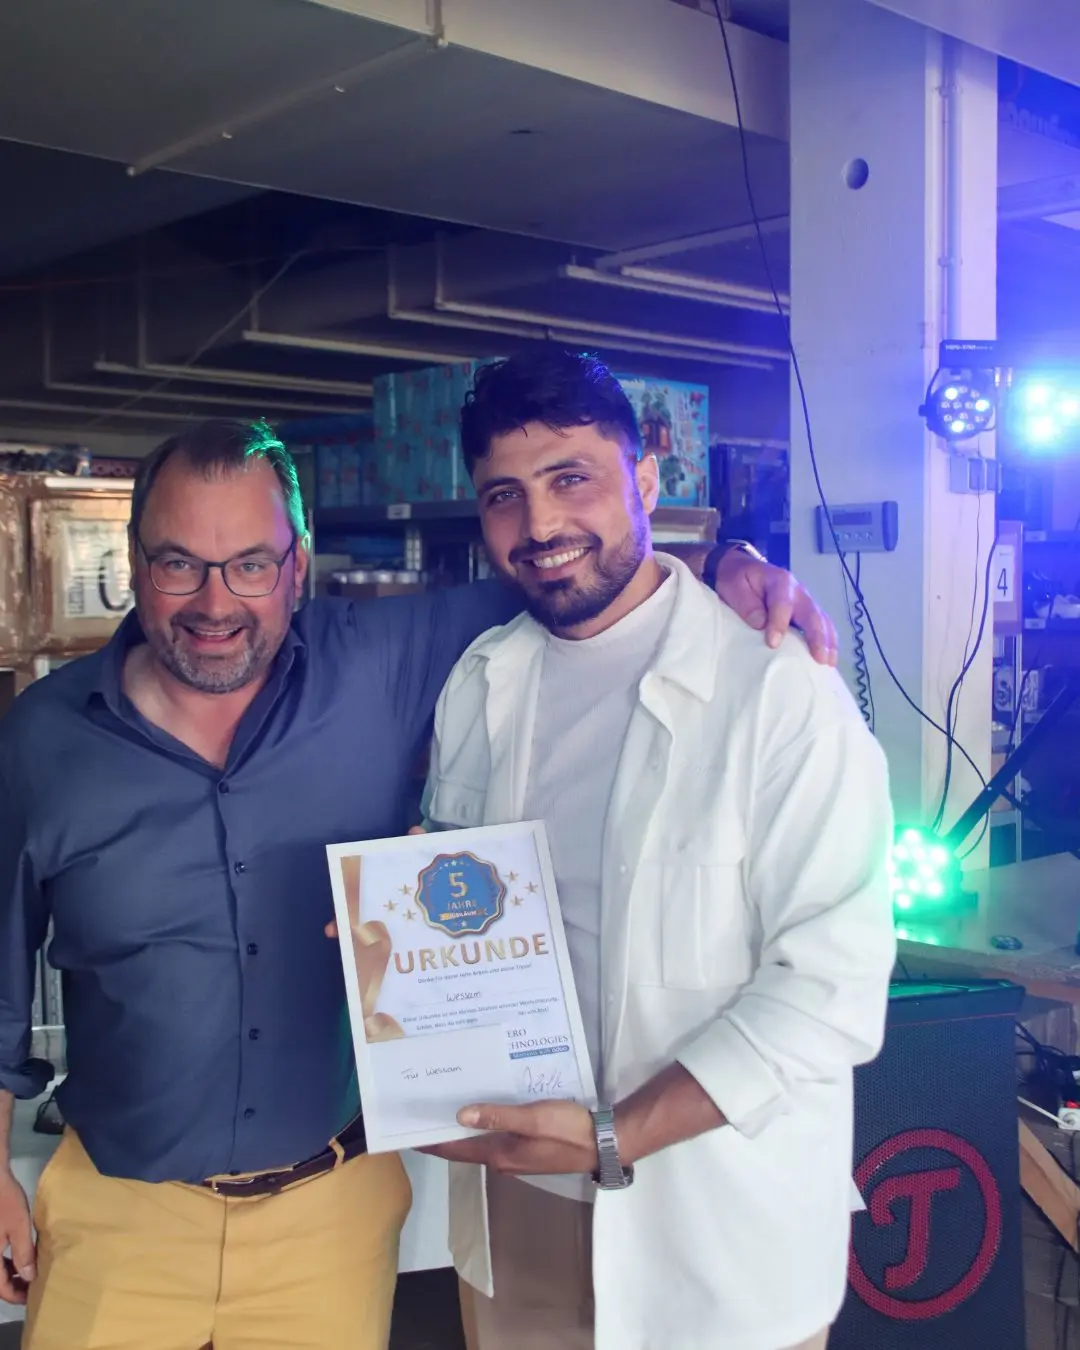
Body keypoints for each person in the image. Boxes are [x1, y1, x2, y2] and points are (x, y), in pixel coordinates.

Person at [0, 415, 834, 1350]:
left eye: (251, 564)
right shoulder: (42, 740)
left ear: (297, 565)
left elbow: (571, 571)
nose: (215, 601)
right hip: (117, 1216)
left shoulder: (381, 663)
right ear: (134, 560)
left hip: (331, 1216)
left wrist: (725, 561)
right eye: (179, 564)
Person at [419, 349, 897, 1350]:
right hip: (521, 1204)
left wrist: (615, 1134)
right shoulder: (481, 680)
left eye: (572, 478)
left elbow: (833, 986)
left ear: (645, 479)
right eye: (505, 496)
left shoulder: (776, 690)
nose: (540, 525)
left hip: (716, 1216)